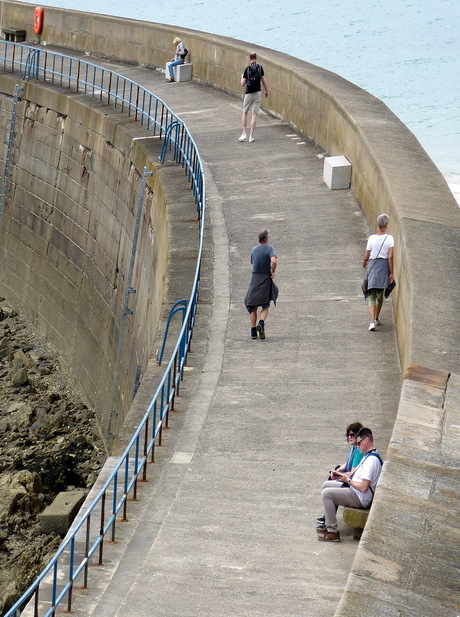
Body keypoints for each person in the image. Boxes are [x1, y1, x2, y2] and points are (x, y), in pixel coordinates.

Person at [317, 427, 383, 542]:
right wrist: (341, 476)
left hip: (360, 497)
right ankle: (328, 522)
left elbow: (363, 488)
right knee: (327, 485)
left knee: (326, 494)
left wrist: (348, 481)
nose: (358, 446)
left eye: (359, 443)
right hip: (356, 491)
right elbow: (355, 475)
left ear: (366, 440)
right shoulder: (369, 455)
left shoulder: (371, 460)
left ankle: (333, 532)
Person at [316, 422, 364, 526]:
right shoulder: (354, 448)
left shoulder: (359, 451)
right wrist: (337, 470)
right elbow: (348, 463)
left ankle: (330, 527)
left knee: (328, 492)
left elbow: (352, 473)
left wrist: (339, 475)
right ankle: (328, 516)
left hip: (354, 487)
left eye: (353, 435)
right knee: (328, 483)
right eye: (348, 435)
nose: (350, 437)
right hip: (353, 484)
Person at [244, 229, 278, 340]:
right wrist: (272, 272)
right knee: (265, 304)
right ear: (266, 238)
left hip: (255, 278)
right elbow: (273, 261)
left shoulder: (254, 249)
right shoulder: (270, 248)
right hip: (265, 277)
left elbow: (253, 262)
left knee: (253, 306)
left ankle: (253, 331)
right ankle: (261, 323)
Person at [362, 213, 394, 331]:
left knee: (371, 294)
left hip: (373, 265)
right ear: (386, 225)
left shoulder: (371, 238)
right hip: (384, 266)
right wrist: (391, 273)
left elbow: (367, 255)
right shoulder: (390, 239)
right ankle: (376, 318)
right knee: (380, 294)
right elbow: (390, 257)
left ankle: (371, 322)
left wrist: (365, 263)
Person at [239, 52, 269, 143]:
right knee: (254, 114)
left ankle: (244, 133)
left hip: (249, 94)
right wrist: (267, 91)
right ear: (256, 58)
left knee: (245, 112)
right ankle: (251, 136)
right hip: (257, 93)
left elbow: (242, 84)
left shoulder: (247, 69)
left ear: (250, 59)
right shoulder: (260, 68)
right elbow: (264, 80)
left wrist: (242, 77)